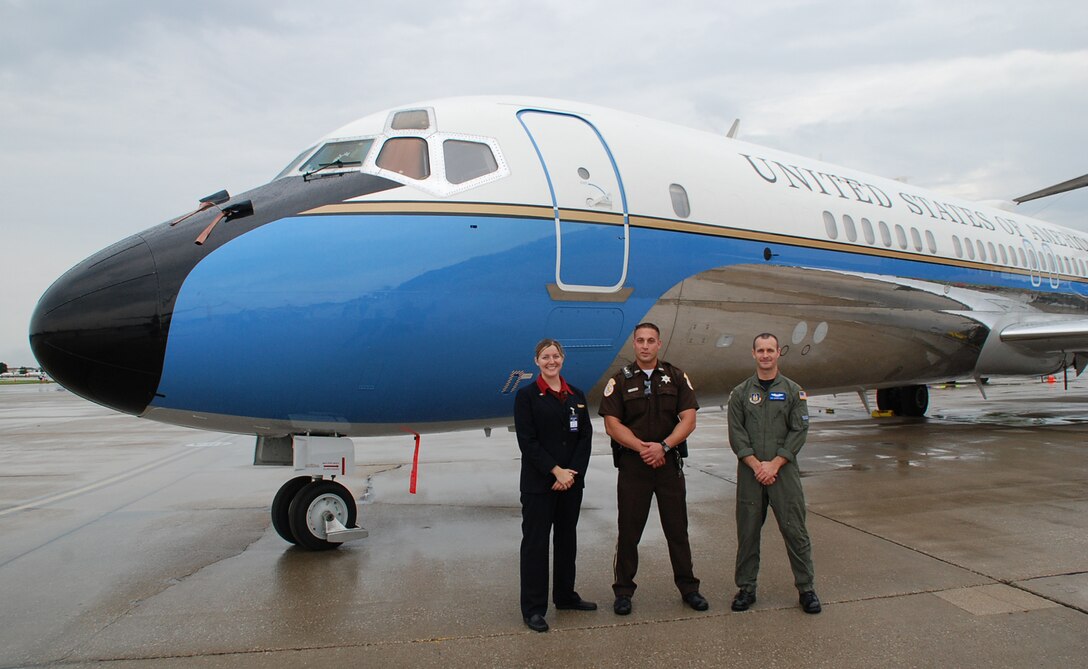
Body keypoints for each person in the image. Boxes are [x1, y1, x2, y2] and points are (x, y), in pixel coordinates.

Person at [598, 322, 708, 615]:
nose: (645, 346)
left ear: (659, 344)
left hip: (669, 465)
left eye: (651, 341)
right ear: (633, 345)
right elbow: (611, 424)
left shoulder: (676, 377)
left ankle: (689, 589)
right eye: (640, 341)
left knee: (677, 530)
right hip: (635, 467)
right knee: (629, 532)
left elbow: (688, 418)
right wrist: (643, 448)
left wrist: (664, 447)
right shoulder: (620, 381)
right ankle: (623, 591)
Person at [727, 333, 821, 614]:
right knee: (747, 533)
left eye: (770, 350)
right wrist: (757, 466)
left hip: (784, 474)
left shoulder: (793, 391)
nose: (765, 355)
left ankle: (806, 589)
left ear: (778, 353)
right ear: (753, 354)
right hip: (750, 474)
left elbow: (799, 430)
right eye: (760, 350)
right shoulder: (741, 393)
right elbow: (737, 435)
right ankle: (746, 588)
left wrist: (775, 464)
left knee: (795, 531)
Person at [514, 338, 596, 633]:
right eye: (545, 357)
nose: (551, 361)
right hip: (540, 485)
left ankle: (565, 595)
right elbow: (528, 442)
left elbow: (585, 436)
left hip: (570, 484)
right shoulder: (527, 397)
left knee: (566, 540)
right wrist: (556, 471)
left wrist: (572, 474)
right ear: (536, 361)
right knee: (535, 546)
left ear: (563, 359)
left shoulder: (577, 396)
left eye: (556, 356)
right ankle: (534, 609)